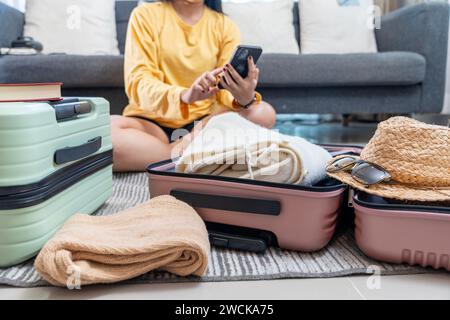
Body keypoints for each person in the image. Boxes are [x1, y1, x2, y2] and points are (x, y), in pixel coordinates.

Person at [111, 0, 277, 172]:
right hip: (151, 124)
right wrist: (184, 95)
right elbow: (138, 81)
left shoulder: (224, 26)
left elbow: (225, 91)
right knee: (102, 134)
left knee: (263, 113)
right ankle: (185, 154)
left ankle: (162, 156)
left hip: (203, 126)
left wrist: (244, 96)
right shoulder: (144, 15)